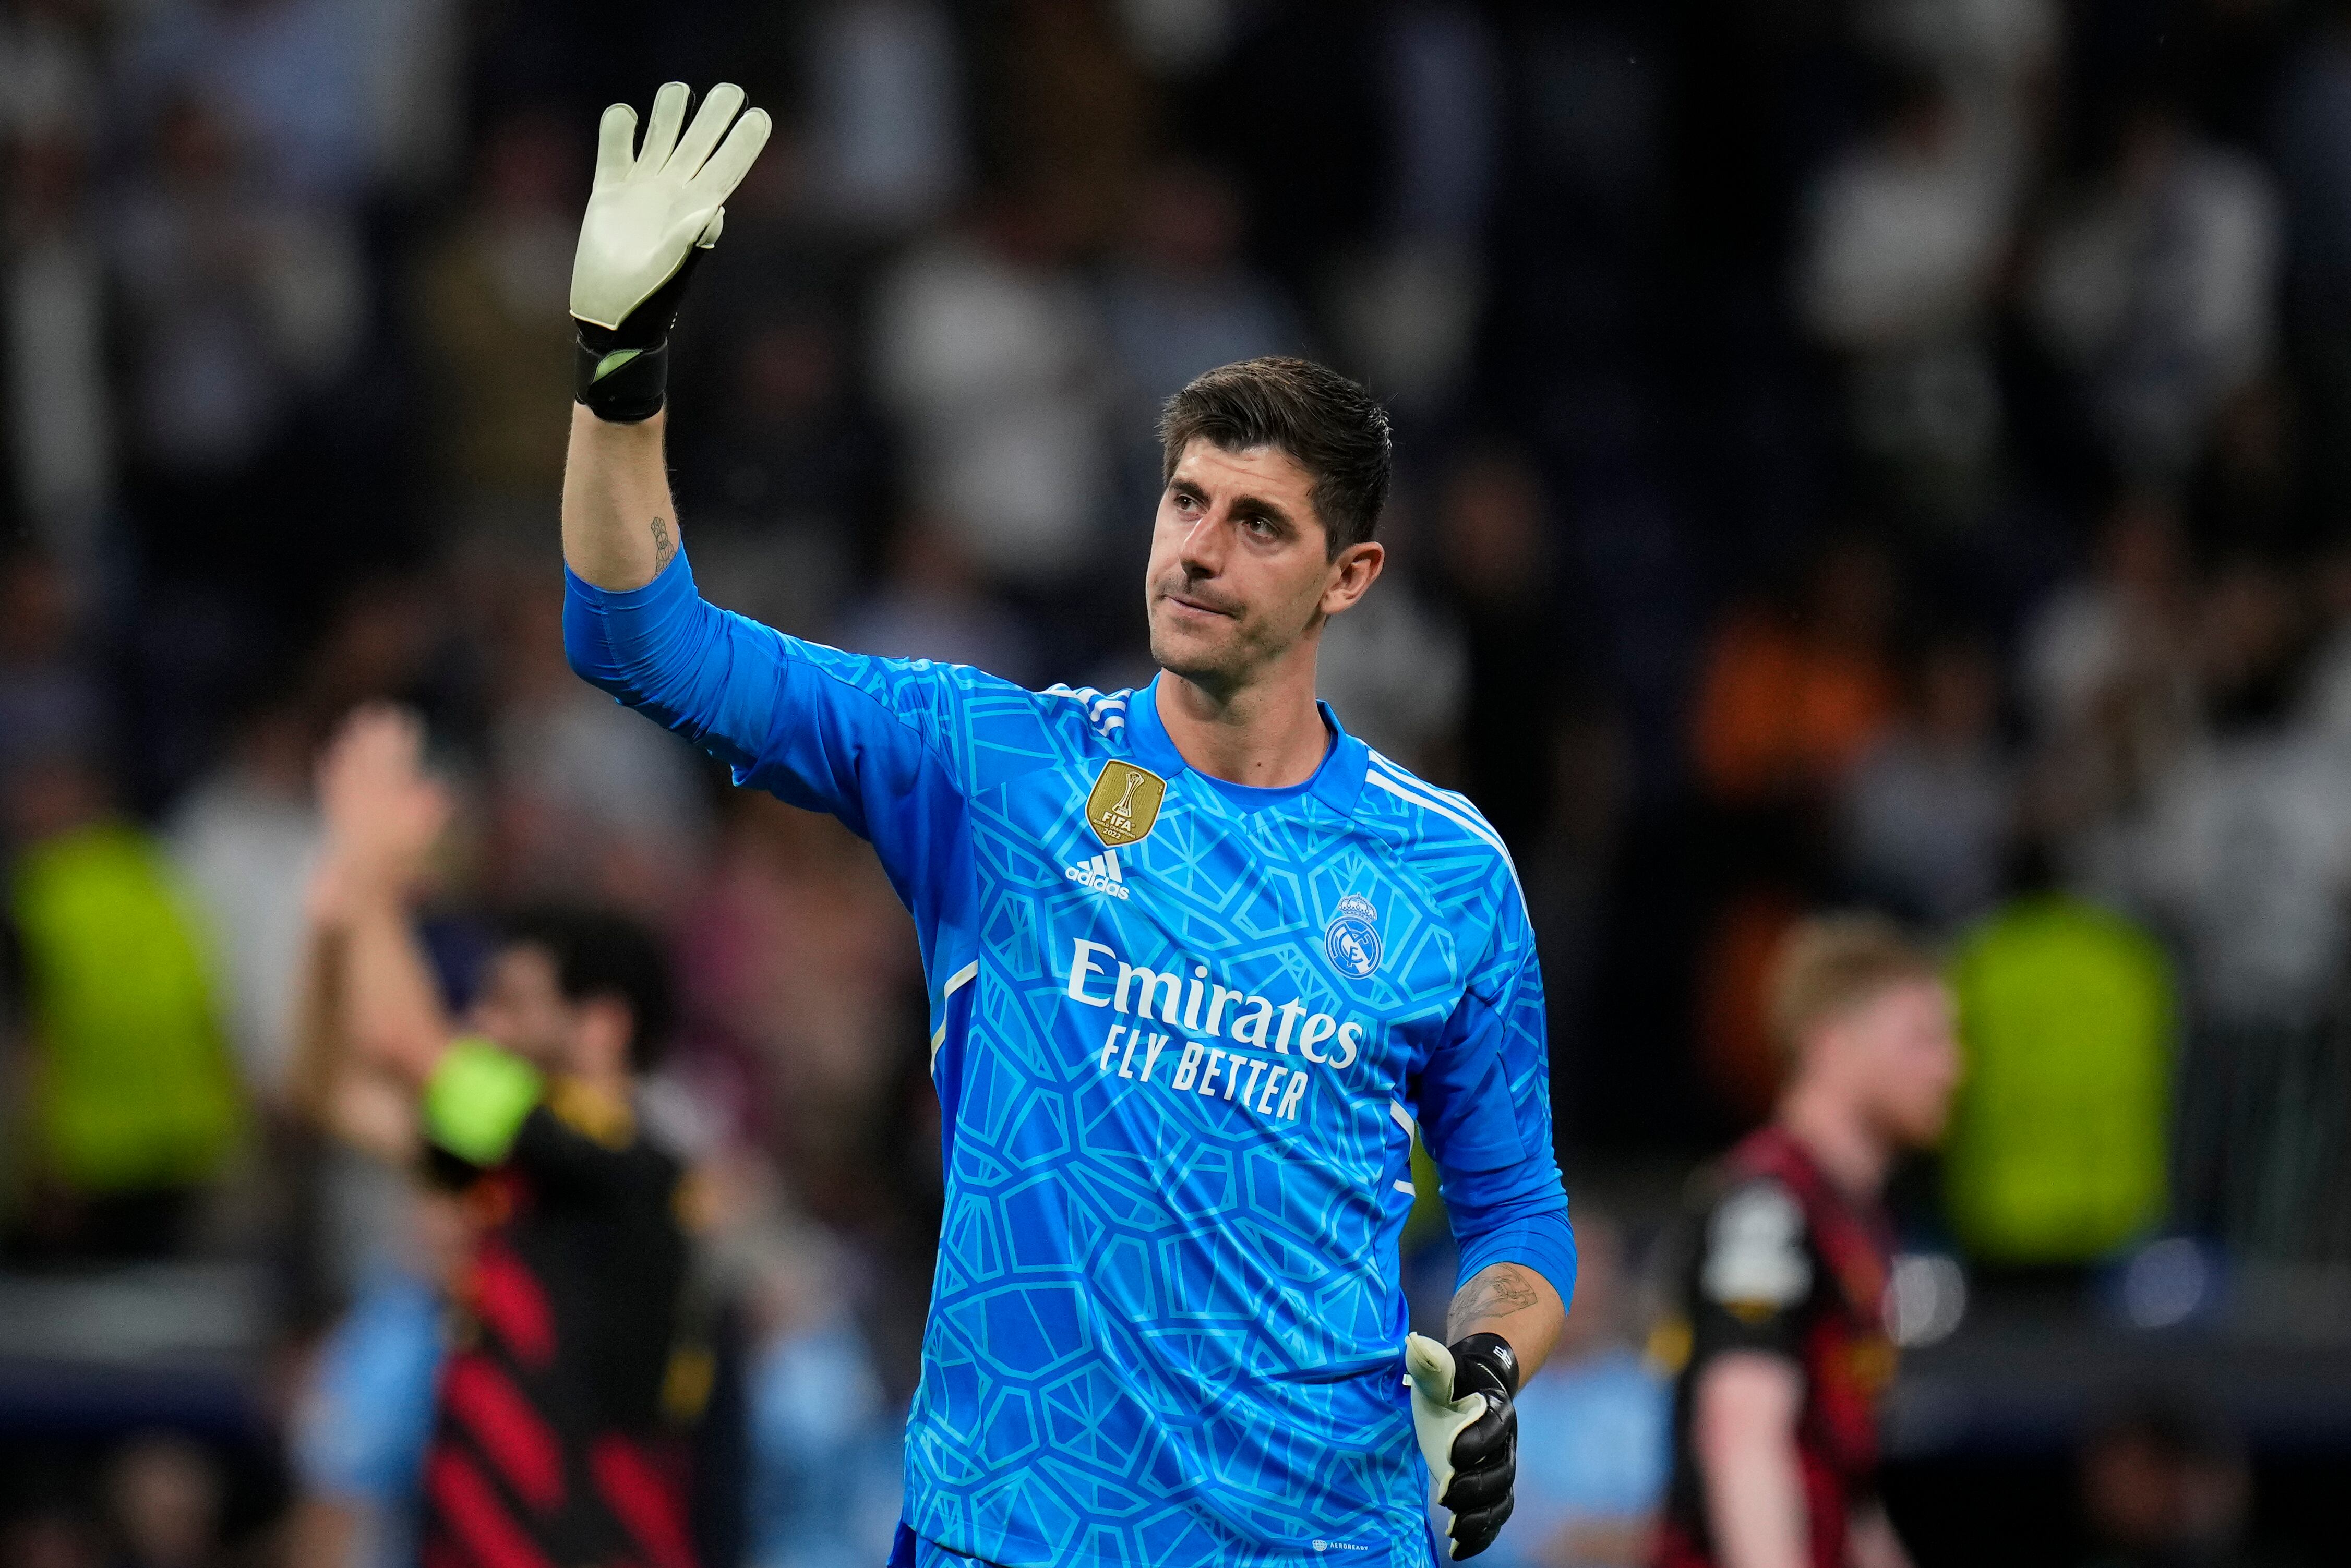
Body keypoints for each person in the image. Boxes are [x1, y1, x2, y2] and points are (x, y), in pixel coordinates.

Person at [558, 82, 1576, 1567]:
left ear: (1349, 577)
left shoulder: (1446, 868)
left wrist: (1486, 1369)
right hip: (1015, 1531)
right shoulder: (995, 768)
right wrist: (619, 368)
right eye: (1186, 501)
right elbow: (642, 641)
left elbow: (1517, 1212)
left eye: (1259, 523)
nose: (1200, 549)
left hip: (1319, 1540)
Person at [299, 707, 731, 1568]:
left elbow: (401, 1041)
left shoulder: (632, 1170)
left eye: (514, 1005)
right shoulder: (524, 1164)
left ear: (602, 1027)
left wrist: (373, 871)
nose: (484, 1026)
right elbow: (333, 1090)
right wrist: (331, 927)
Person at [1655, 914, 1960, 1568]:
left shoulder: (1856, 1214)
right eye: (1922, 1039)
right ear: (1832, 1045)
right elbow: (1742, 1436)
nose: (1952, 1067)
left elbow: (1841, 1478)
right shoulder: (1766, 1208)